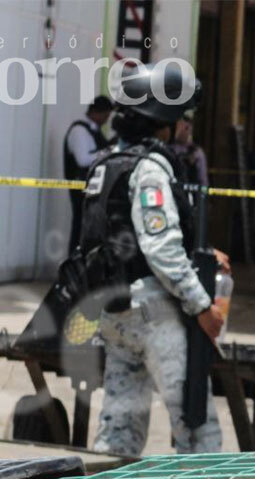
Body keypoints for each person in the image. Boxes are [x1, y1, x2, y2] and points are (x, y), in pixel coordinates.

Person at [82, 62, 224, 456]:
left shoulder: (106, 163)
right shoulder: (149, 170)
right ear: (162, 120)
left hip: (114, 308)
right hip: (154, 311)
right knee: (197, 432)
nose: (183, 127)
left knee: (118, 434)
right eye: (179, 118)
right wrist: (201, 306)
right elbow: (160, 247)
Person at [64, 95, 114, 250]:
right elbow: (83, 160)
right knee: (80, 225)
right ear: (97, 112)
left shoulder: (95, 131)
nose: (106, 120)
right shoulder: (80, 130)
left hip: (93, 187)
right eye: (106, 116)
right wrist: (107, 152)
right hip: (81, 187)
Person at [168, 110, 209, 186]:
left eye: (187, 127)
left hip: (189, 193)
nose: (187, 130)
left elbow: (203, 181)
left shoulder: (196, 153)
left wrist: (201, 196)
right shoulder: (167, 149)